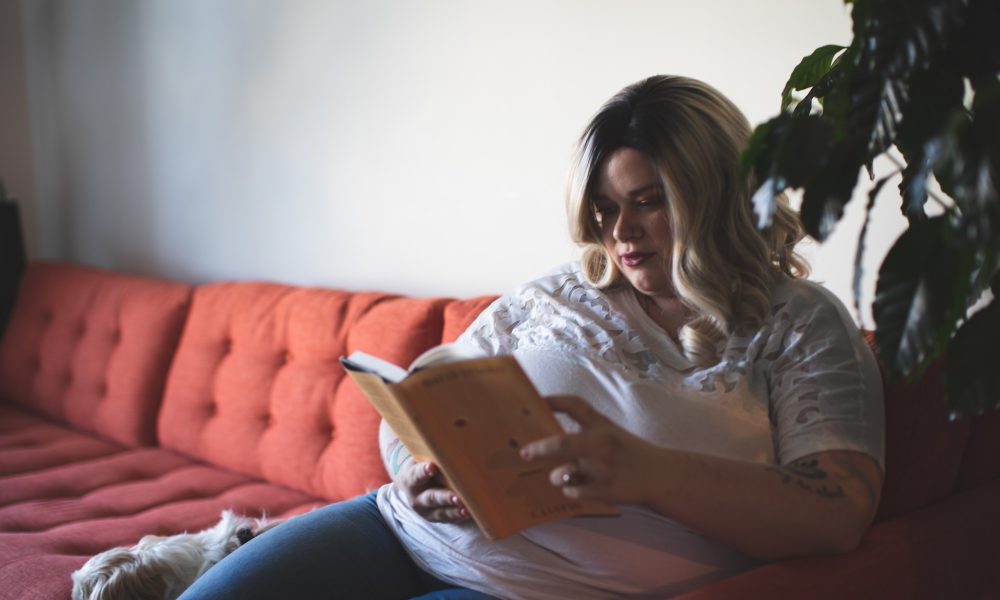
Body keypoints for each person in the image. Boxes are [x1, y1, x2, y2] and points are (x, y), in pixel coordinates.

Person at [179, 75, 884, 600]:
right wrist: (419, 474)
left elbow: (839, 513)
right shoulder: (559, 294)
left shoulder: (802, 325)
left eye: (649, 203)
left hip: (538, 587)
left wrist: (648, 472)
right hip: (399, 529)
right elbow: (418, 408)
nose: (621, 234)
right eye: (605, 209)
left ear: (718, 197)